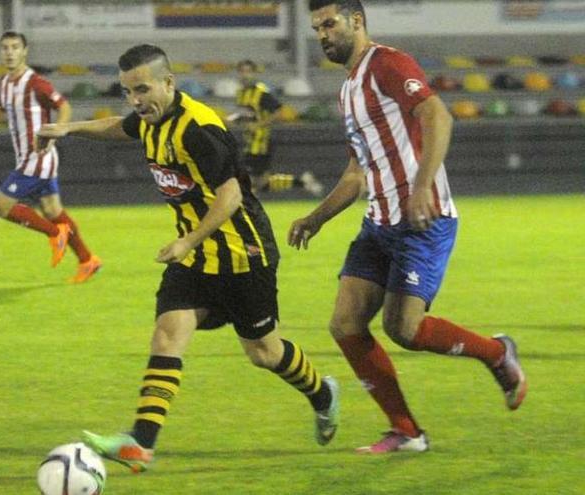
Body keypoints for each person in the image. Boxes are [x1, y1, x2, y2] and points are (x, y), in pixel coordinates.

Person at [37, 44, 340, 473]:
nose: (136, 100)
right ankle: (141, 444)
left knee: (264, 353)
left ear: (169, 83)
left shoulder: (199, 128)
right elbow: (118, 127)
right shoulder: (149, 120)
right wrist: (69, 129)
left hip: (242, 254)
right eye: (128, 91)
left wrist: (187, 241)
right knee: (168, 333)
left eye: (143, 89)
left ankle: (322, 394)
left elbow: (231, 193)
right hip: (196, 256)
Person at [288, 0, 528, 454]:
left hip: (423, 220)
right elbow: (356, 173)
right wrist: (315, 219)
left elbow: (438, 115)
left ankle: (497, 353)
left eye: (329, 24)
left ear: (356, 21)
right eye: (317, 27)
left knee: (406, 330)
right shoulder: (347, 91)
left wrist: (420, 188)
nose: (322, 34)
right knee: (345, 324)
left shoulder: (388, 64)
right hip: (378, 222)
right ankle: (407, 432)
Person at [0, 31, 100, 283]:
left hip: (38, 157)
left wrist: (57, 131)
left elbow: (64, 106)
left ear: (25, 51)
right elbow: (4, 115)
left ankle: (53, 233)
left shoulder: (35, 82)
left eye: (15, 47)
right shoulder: (4, 82)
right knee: (53, 210)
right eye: (5, 47)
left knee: (2, 207)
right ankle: (87, 260)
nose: (9, 52)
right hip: (28, 158)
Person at [226, 59, 323, 196]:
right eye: (242, 71)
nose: (245, 75)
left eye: (248, 71)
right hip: (250, 141)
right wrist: (233, 119)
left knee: (249, 180)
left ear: (254, 73)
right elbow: (247, 114)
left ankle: (249, 209)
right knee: (262, 183)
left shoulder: (261, 93)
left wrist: (259, 125)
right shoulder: (241, 93)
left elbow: (279, 111)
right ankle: (302, 181)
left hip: (261, 142)